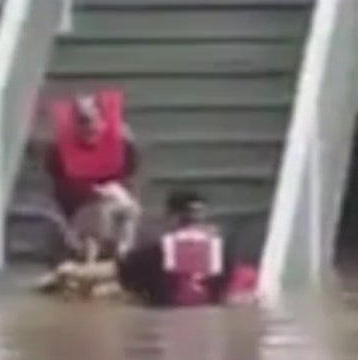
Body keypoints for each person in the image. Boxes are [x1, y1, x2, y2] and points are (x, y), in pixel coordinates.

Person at [45, 90, 142, 261]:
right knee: (102, 211)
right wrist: (91, 191)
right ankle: (93, 252)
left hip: (114, 198)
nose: (88, 128)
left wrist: (129, 143)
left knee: (128, 209)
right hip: (80, 206)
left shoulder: (117, 140)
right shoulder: (61, 149)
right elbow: (60, 183)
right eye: (81, 122)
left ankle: (122, 252)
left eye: (91, 121)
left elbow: (130, 170)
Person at [117, 190, 254, 307]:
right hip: (209, 318)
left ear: (171, 217)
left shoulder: (153, 254)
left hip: (167, 317)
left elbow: (128, 284)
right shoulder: (221, 252)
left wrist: (126, 235)